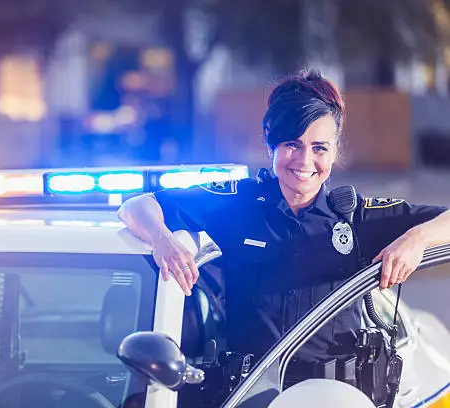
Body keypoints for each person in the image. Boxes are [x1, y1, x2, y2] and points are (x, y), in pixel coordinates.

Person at [117, 69, 450, 368]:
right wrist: (163, 239)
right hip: (252, 395)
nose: (305, 161)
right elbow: (137, 205)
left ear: (334, 150)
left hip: (334, 397)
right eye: (292, 144)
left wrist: (415, 239)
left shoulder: (356, 216)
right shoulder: (238, 203)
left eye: (319, 147)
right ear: (270, 142)